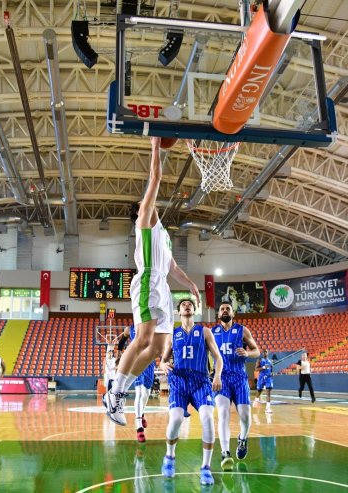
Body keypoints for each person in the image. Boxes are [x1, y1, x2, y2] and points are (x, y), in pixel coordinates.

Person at [103, 137, 200, 427]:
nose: (150, 202)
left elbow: (172, 267)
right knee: (142, 339)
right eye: (145, 202)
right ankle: (115, 392)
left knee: (158, 349)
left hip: (163, 287)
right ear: (141, 210)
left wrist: (192, 285)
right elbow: (155, 177)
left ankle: (122, 389)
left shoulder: (164, 235)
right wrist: (155, 145)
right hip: (146, 281)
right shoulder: (144, 221)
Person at [159, 299, 223, 486]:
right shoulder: (172, 335)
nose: (187, 306)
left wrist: (217, 375)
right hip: (179, 380)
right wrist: (163, 364)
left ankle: (205, 468)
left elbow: (218, 358)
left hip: (201, 380)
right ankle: (170, 457)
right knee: (176, 419)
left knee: (207, 418)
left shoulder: (204, 331)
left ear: (195, 310)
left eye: (190, 304)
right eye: (183, 305)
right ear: (178, 311)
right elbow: (163, 360)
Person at [212, 302, 261, 470]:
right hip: (221, 377)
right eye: (222, 308)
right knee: (223, 413)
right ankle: (225, 452)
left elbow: (257, 351)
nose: (225, 310)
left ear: (233, 313)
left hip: (240, 378)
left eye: (228, 308)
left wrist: (248, 353)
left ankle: (243, 438)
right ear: (218, 314)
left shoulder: (242, 330)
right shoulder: (212, 332)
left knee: (246, 416)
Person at [116, 325, 157, 443]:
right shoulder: (130, 329)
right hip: (136, 361)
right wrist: (119, 353)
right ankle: (139, 426)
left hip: (149, 361)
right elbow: (122, 340)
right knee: (139, 392)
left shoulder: (153, 325)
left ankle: (141, 413)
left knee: (146, 393)